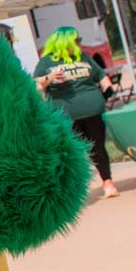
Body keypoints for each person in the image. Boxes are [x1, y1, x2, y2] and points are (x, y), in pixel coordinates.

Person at [34, 26, 119, 198]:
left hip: (92, 111)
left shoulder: (82, 56)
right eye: (76, 40)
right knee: (71, 152)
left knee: (97, 147)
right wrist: (50, 78)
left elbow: (100, 74)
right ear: (64, 42)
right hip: (65, 115)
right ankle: (76, 189)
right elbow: (36, 85)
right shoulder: (47, 61)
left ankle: (107, 181)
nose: (80, 43)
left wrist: (107, 88)